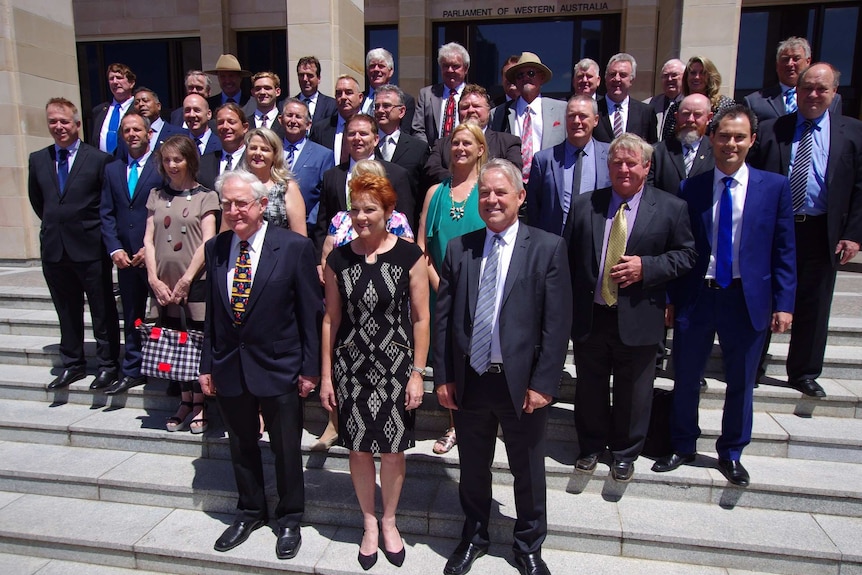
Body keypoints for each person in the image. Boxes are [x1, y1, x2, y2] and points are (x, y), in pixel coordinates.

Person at [435, 159, 572, 575]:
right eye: (485, 193)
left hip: (523, 386)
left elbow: (557, 323)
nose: (492, 200)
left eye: (501, 192)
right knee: (473, 468)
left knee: (527, 470)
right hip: (473, 381)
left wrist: (544, 383)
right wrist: (443, 377)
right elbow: (443, 320)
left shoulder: (547, 247)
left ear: (520, 197)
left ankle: (528, 543)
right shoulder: (460, 249)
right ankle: (474, 536)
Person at [657, 105, 797, 486]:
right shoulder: (692, 187)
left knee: (740, 382)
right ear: (711, 139)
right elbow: (680, 247)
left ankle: (731, 451)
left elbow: (784, 250)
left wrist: (784, 304)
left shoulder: (774, 188)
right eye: (724, 136)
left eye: (739, 137)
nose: (730, 144)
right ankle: (682, 443)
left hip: (745, 298)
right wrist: (671, 297)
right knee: (685, 376)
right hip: (698, 296)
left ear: (752, 140)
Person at [200, 170, 321, 560]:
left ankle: (289, 517)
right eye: (227, 204)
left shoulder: (293, 247)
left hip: (279, 364)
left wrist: (310, 368)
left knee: (286, 448)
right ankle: (250, 509)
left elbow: (309, 312)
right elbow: (213, 314)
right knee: (241, 445)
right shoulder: (216, 248)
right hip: (230, 365)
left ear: (261, 205)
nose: (234, 211)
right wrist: (207, 365)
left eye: (241, 203)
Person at [565, 133, 696, 481]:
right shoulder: (584, 205)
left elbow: (687, 255)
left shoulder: (671, 207)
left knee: (634, 391)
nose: (623, 168)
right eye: (616, 162)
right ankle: (590, 446)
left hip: (640, 315)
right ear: (608, 166)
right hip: (592, 315)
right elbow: (567, 258)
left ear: (647, 166)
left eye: (631, 162)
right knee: (590, 387)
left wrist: (647, 268)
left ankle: (625, 452)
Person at [320, 172, 429, 570]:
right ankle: (368, 521)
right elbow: (330, 319)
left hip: (396, 367)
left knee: (393, 451)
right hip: (351, 366)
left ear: (388, 211)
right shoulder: (338, 258)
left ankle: (389, 521)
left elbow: (421, 318)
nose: (361, 217)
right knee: (359, 448)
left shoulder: (409, 256)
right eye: (355, 209)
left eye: (370, 209)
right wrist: (327, 375)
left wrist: (418, 371)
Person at [753, 62, 862, 398]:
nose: (814, 94)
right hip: (776, 229)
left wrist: (854, 233)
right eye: (807, 88)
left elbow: (860, 187)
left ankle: (803, 371)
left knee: (815, 303)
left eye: (821, 88)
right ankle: (751, 362)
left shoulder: (853, 132)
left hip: (822, 230)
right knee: (763, 296)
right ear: (796, 91)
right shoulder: (773, 131)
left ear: (834, 94)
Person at [29, 97, 120, 391]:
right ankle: (72, 363)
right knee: (65, 310)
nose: (59, 127)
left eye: (64, 121)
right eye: (53, 121)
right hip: (55, 249)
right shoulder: (38, 159)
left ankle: (107, 365)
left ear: (77, 125)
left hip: (90, 248)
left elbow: (106, 203)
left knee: (102, 310)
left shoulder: (98, 160)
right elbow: (39, 201)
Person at [418, 122, 488, 456]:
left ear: (480, 149)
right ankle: (453, 424)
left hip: (481, 289)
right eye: (455, 143)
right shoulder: (435, 193)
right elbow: (422, 246)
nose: (459, 148)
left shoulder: (488, 189)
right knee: (448, 357)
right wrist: (442, 285)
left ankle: (479, 421)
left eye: (466, 143)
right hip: (439, 290)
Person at [143, 135, 220, 427]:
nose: (172, 165)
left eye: (178, 159)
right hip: (163, 282)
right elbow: (148, 239)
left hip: (194, 281)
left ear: (190, 160)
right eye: (167, 160)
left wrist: (187, 279)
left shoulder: (206, 196)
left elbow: (207, 241)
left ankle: (200, 403)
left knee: (196, 342)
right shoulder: (156, 196)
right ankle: (184, 401)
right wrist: (153, 278)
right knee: (173, 341)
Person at [99, 113, 165, 394]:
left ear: (149, 134)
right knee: (133, 316)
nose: (131, 134)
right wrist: (115, 248)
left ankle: (168, 371)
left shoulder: (162, 166)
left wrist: (147, 248)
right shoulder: (113, 170)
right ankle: (133, 369)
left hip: (155, 255)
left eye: (137, 129)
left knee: (165, 315)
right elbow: (106, 212)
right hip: (125, 259)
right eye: (126, 130)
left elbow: (166, 210)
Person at [313, 114, 414, 253]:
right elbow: (322, 223)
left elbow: (404, 220)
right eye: (351, 134)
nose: (357, 138)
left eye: (363, 134)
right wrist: (320, 261)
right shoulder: (331, 176)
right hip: (340, 260)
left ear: (376, 139)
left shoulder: (396, 175)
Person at [526, 94, 611, 236]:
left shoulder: (610, 156)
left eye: (583, 116)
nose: (576, 121)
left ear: (595, 120)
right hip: (554, 242)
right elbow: (534, 209)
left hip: (596, 240)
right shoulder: (544, 160)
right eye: (571, 116)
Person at [491, 51, 567, 183]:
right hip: (513, 185)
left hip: (550, 184)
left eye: (531, 73)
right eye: (520, 75)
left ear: (541, 77)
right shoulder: (499, 113)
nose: (525, 77)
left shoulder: (562, 110)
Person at [425, 84, 522, 186]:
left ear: (488, 111)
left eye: (476, 106)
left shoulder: (508, 142)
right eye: (465, 107)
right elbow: (431, 170)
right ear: (458, 112)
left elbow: (513, 174)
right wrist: (461, 180)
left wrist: (477, 180)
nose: (471, 110)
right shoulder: (442, 144)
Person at [744, 37, 842, 124]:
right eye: (785, 59)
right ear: (777, 64)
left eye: (796, 58)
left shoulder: (832, 99)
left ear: (808, 61)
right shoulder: (754, 102)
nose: (790, 64)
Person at [279, 98, 335, 236]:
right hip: (273, 228)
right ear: (280, 119)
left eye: (298, 117)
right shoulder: (271, 150)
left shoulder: (323, 155)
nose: (293, 120)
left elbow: (325, 194)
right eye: (289, 115)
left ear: (308, 124)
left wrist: (307, 222)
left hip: (308, 229)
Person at [374, 84, 429, 213]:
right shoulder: (366, 145)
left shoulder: (418, 149)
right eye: (377, 106)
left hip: (407, 224)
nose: (380, 110)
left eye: (386, 106)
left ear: (402, 111)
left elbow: (424, 193)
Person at [240, 127, 307, 233]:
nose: (258, 153)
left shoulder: (287, 188)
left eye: (264, 149)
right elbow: (225, 232)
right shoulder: (237, 185)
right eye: (253, 148)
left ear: (275, 155)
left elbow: (300, 237)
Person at [648, 93, 716, 194]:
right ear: (676, 116)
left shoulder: (717, 152)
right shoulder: (657, 152)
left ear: (709, 118)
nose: (690, 119)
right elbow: (649, 191)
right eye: (685, 113)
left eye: (697, 114)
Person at [662, 56, 736, 141]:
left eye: (702, 73)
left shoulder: (724, 106)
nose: (697, 77)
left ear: (710, 76)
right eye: (693, 73)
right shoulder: (676, 108)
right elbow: (667, 142)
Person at [592, 53, 658, 144]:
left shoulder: (645, 112)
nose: (617, 79)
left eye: (622, 75)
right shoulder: (593, 109)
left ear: (632, 80)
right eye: (612, 74)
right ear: (606, 78)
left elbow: (652, 148)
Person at [413, 42, 469, 147]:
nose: (450, 70)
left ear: (465, 69)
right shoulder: (427, 94)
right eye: (446, 66)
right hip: (433, 158)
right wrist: (430, 154)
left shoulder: (475, 96)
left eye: (455, 66)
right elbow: (418, 129)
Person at [309, 75, 365, 163]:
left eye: (348, 92)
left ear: (360, 97)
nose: (343, 97)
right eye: (339, 93)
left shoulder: (373, 127)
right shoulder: (320, 129)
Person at [360, 48, 417, 131]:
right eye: (372, 66)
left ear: (390, 72)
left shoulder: (405, 100)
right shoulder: (359, 99)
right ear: (368, 71)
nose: (376, 69)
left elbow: (405, 134)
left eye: (381, 66)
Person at [198, 103, 249, 190]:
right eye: (220, 122)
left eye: (231, 122)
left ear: (244, 127)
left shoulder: (254, 161)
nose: (225, 127)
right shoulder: (203, 163)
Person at [91, 63, 136, 154]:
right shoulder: (99, 111)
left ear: (131, 83)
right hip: (103, 166)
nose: (114, 82)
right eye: (111, 79)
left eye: (119, 78)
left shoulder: (138, 109)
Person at [286, 55, 338, 124]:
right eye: (301, 75)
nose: (305, 79)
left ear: (318, 78)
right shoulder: (286, 105)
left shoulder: (332, 105)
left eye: (309, 75)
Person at [647, 58, 685, 140]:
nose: (669, 79)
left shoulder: (690, 104)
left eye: (674, 75)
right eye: (665, 76)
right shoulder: (648, 104)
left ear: (684, 77)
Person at [250, 72, 285, 138]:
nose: (262, 92)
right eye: (258, 89)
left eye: (267, 88)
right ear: (253, 92)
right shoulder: (245, 123)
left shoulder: (286, 123)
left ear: (277, 92)